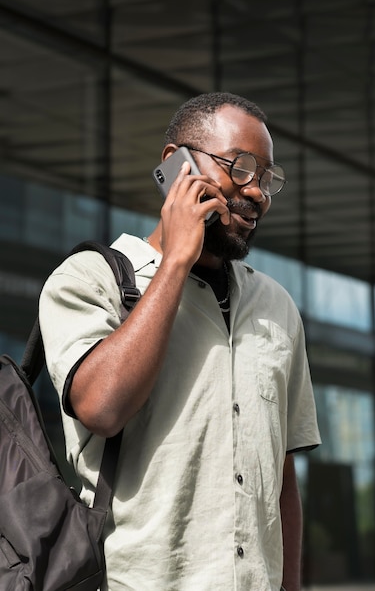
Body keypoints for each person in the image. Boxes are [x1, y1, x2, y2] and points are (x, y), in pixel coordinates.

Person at [39, 92, 321, 591]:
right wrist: (175, 262)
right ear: (177, 165)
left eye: (268, 178)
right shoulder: (88, 280)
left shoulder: (277, 308)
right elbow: (101, 408)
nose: (257, 192)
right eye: (241, 167)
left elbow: (280, 480)